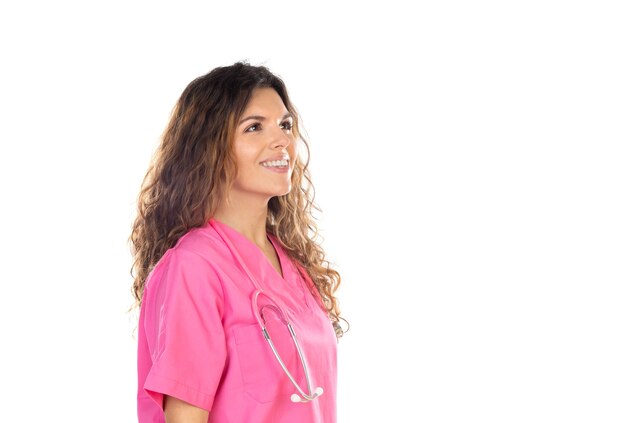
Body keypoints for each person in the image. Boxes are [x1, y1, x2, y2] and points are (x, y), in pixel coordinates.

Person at [129, 61, 347, 423]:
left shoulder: (292, 265)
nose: (281, 141)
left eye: (285, 125)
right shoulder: (195, 267)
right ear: (210, 148)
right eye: (254, 127)